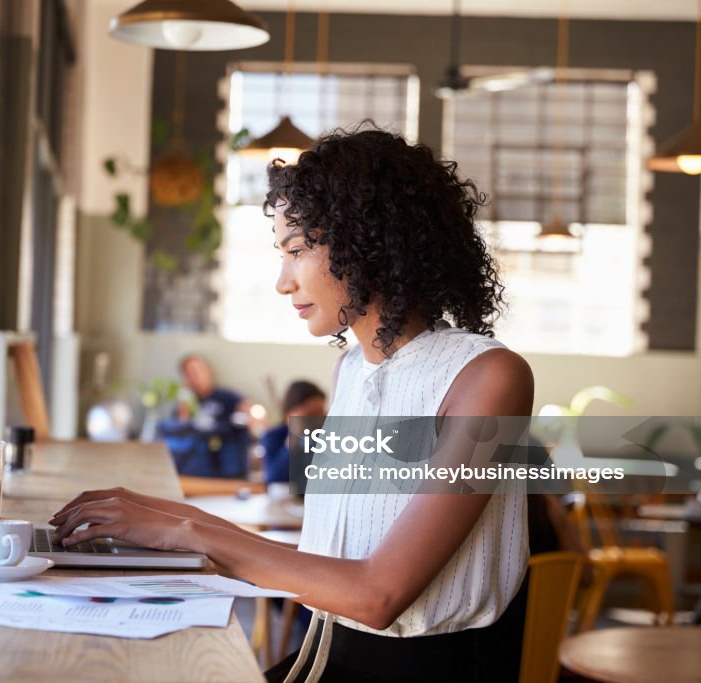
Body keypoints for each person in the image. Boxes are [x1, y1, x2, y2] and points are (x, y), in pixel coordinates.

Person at [50, 126, 533, 682]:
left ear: (370, 243)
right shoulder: (352, 369)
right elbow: (328, 558)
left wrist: (188, 531)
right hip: (324, 661)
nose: (284, 282)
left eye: (298, 250)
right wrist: (160, 512)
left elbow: (378, 594)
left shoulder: (490, 377)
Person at [157, 354, 253, 478]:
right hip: (195, 466)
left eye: (197, 370)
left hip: (227, 463)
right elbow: (180, 431)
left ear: (208, 371)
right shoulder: (187, 401)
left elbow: (248, 415)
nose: (195, 376)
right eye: (189, 373)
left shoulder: (227, 397)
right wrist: (184, 406)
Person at [260, 380, 326, 484]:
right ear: (289, 414)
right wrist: (294, 437)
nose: (317, 420)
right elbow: (274, 478)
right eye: (310, 415)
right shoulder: (273, 437)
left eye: (321, 414)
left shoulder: (326, 437)